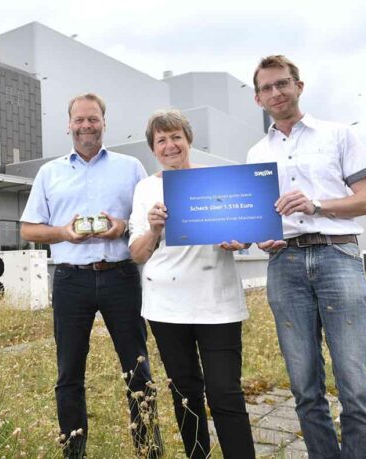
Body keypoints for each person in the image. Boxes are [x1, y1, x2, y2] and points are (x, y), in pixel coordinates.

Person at [247, 55, 366, 458]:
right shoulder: (255, 153)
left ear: (299, 87)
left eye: (282, 83)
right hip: (283, 264)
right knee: (304, 387)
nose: (276, 93)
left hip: (336, 255)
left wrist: (317, 205)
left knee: (355, 384)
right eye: (266, 88)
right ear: (257, 99)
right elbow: (259, 218)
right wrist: (260, 239)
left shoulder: (338, 135)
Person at [20, 93, 160, 458]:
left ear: (103, 122)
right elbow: (29, 230)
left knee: (137, 368)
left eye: (93, 119)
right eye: (79, 120)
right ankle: (74, 452)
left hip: (120, 276)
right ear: (68, 124)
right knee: (68, 373)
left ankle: (149, 450)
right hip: (71, 280)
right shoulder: (49, 173)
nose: (86, 126)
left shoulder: (130, 168)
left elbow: (146, 221)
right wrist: (64, 232)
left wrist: (122, 226)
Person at [128, 109, 255, 459]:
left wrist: (240, 241)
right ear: (153, 148)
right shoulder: (145, 189)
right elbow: (138, 253)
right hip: (166, 306)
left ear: (188, 140)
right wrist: (154, 229)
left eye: (175, 137)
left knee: (225, 392)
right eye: (161, 140)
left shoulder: (218, 181)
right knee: (185, 393)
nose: (170, 145)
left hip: (218, 301)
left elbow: (244, 232)